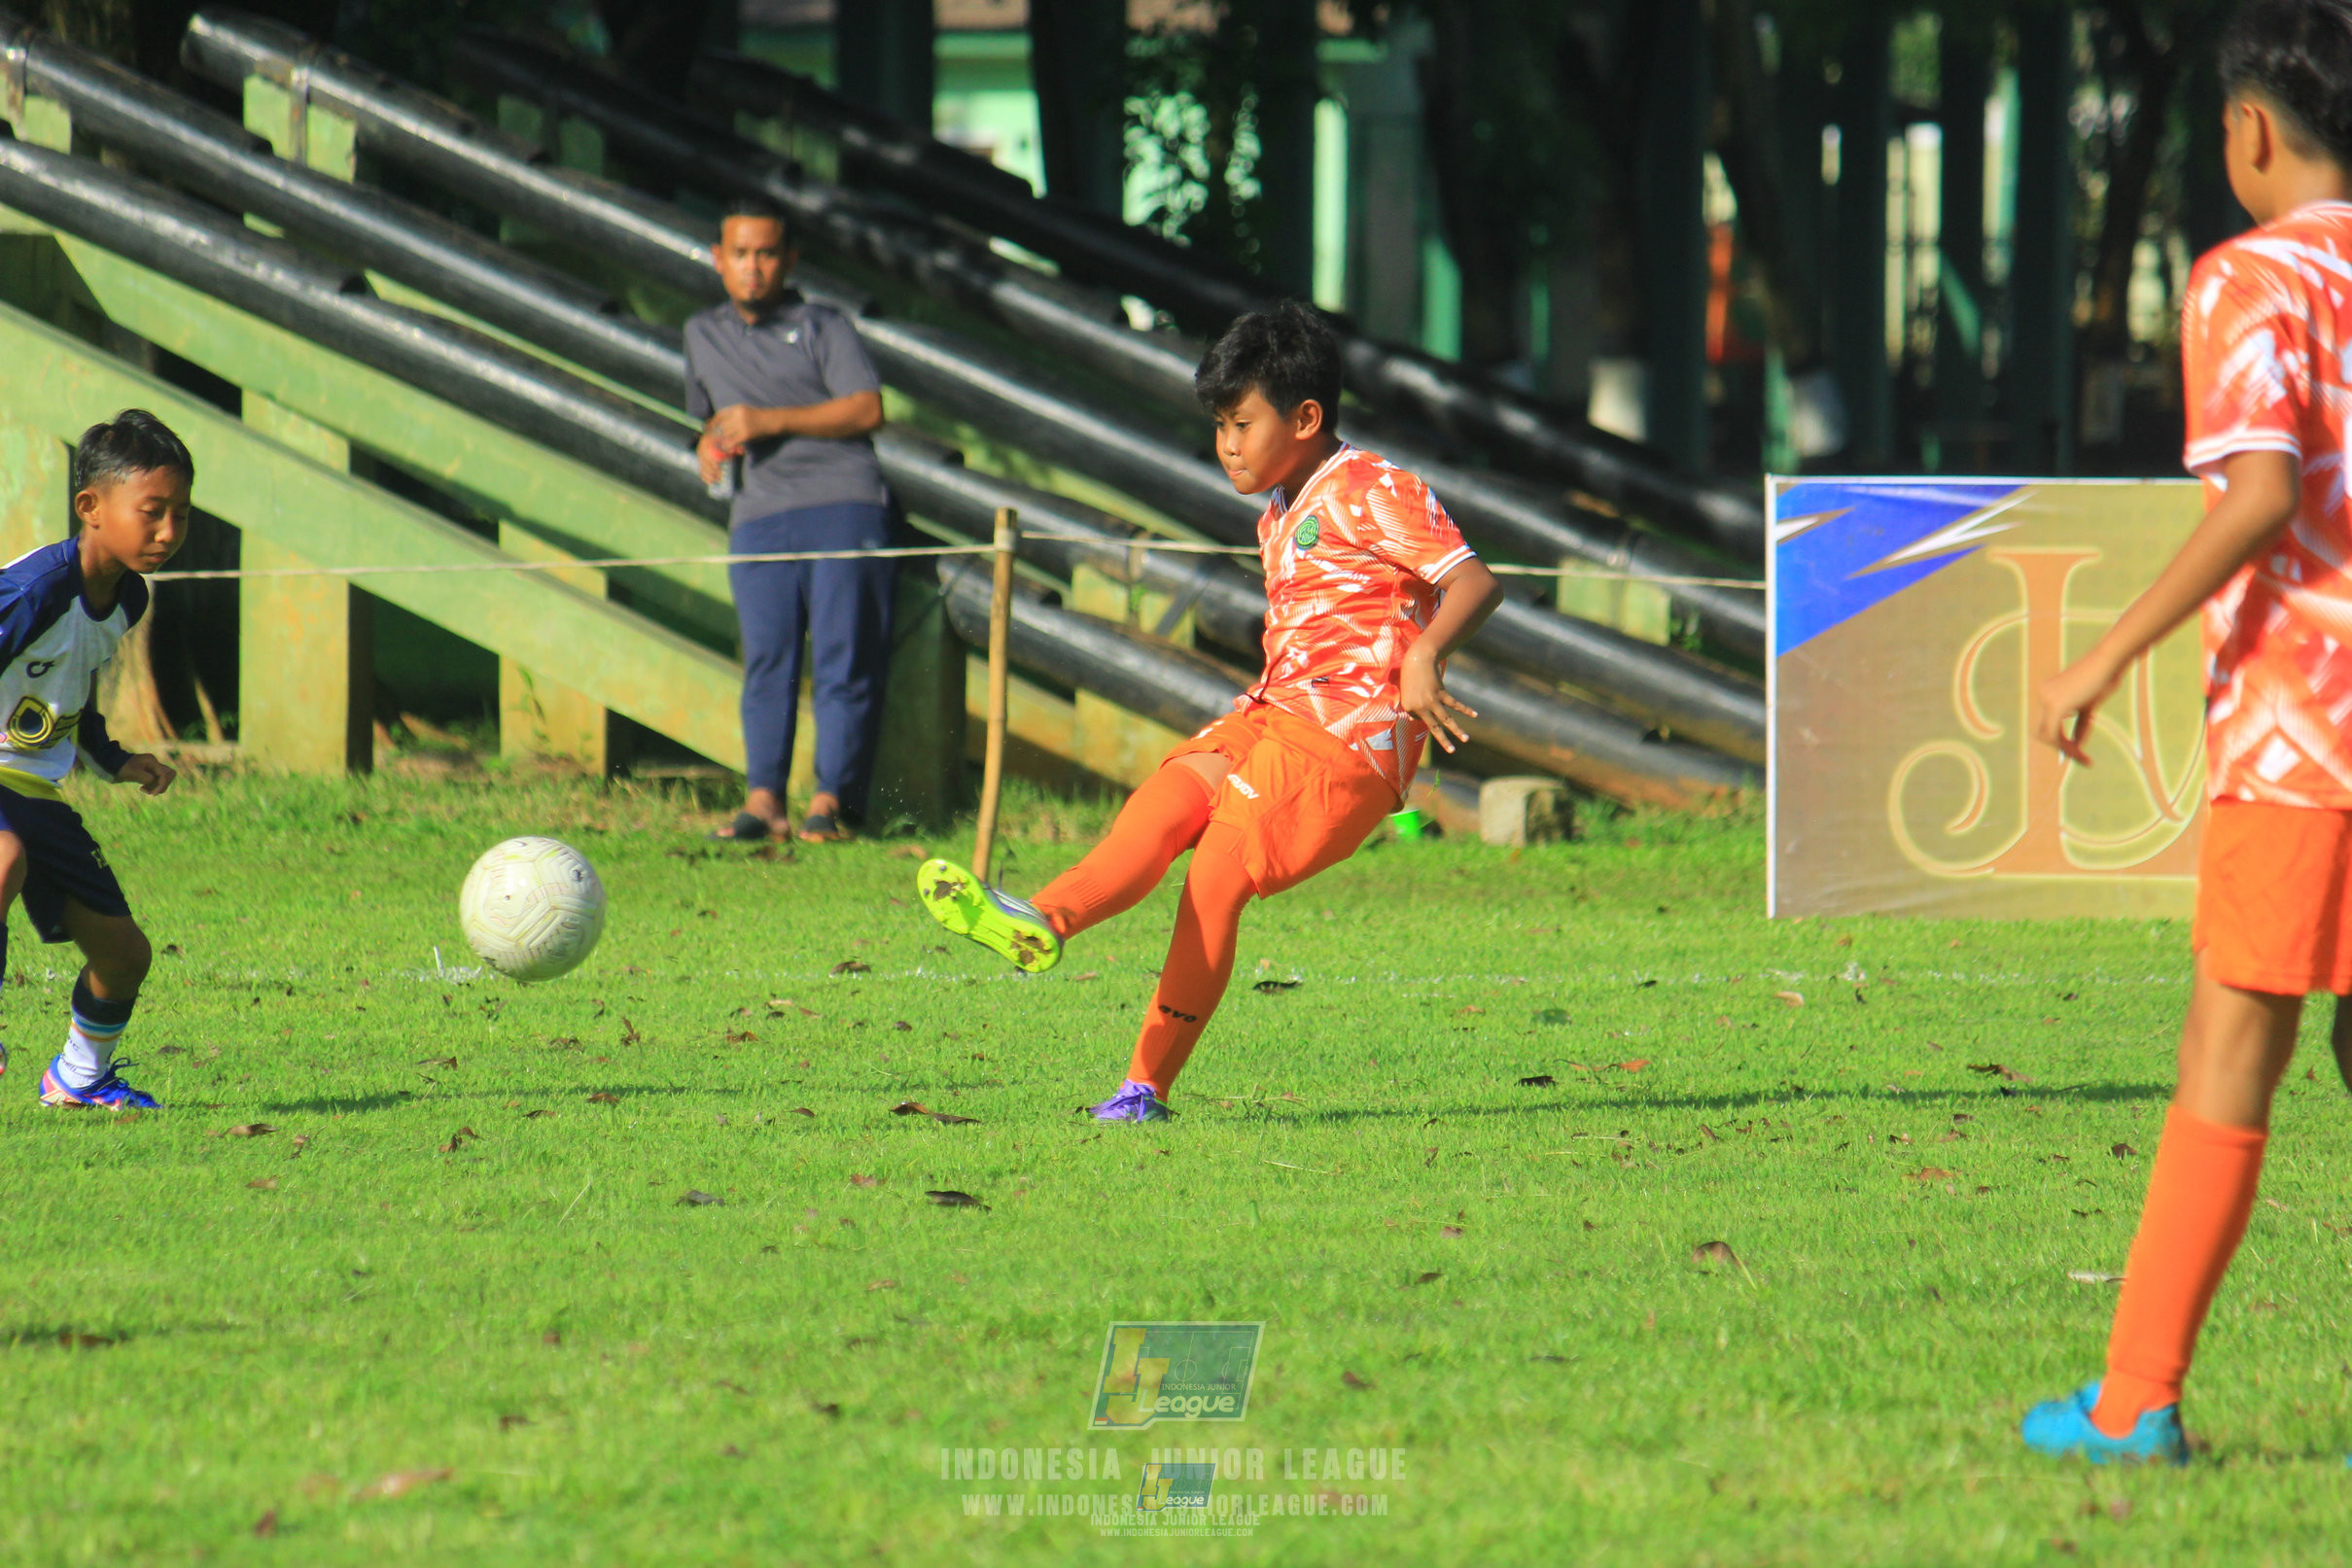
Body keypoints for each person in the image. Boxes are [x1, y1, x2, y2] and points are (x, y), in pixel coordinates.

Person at [2021, 0, 2352, 1464]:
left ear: (2250, 130)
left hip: (2307, 737)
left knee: (2229, 1049)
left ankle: (2132, 1401)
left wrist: (2100, 654)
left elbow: (2262, 491)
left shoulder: (2247, 279)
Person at [914, 301, 1503, 1120]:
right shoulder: (1278, 510)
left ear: (1305, 418)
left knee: (1214, 877)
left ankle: (1142, 1089)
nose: (1226, 444)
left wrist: (1424, 655)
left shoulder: (1374, 488)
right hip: (1272, 712)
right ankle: (1043, 917)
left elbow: (1474, 580)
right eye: (1219, 425)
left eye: (1241, 424)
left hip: (1345, 741)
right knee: (1164, 800)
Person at [685, 195, 891, 843]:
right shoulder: (701, 333)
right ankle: (763, 801)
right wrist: (708, 443)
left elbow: (867, 409)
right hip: (759, 512)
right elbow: (712, 418)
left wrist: (770, 421)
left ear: (790, 260)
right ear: (718, 259)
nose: (754, 267)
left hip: (842, 503)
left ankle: (831, 803)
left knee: (842, 657)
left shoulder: (824, 325)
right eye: (741, 253)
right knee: (766, 659)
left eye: (767, 253)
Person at [0, 410, 190, 1109]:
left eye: (180, 514)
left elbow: (70, 684)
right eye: (152, 511)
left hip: (34, 788)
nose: (168, 531)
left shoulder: (127, 598)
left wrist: (113, 758)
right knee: (2, 861)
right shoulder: (33, 590)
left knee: (124, 955)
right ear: (91, 507)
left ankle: (79, 1078)